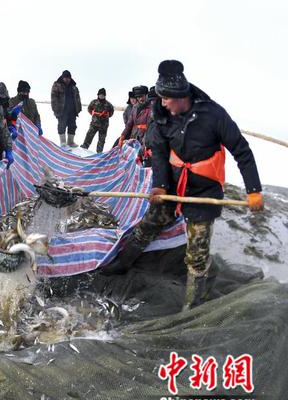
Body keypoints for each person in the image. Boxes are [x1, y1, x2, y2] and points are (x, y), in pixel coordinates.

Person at [102, 60, 264, 311]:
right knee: (148, 225)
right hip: (174, 185)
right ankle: (122, 263)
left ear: (181, 97)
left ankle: (193, 305)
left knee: (197, 254)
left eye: (166, 98)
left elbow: (242, 151)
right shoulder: (161, 113)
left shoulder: (213, 114)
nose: (162, 102)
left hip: (204, 190)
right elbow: (158, 152)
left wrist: (253, 190)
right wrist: (160, 186)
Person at [51, 70, 82, 147]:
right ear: (62, 77)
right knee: (62, 125)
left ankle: (70, 142)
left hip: (72, 110)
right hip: (62, 110)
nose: (67, 79)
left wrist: (79, 108)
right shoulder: (57, 85)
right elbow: (53, 98)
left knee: (73, 126)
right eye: (65, 78)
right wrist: (56, 109)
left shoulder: (74, 86)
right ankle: (63, 142)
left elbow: (78, 98)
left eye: (68, 78)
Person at [82, 88, 115, 152]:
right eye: (100, 94)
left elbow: (111, 113)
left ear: (105, 96)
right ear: (98, 95)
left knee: (102, 140)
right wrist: (94, 116)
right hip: (94, 124)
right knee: (89, 135)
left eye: (103, 95)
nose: (101, 96)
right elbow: (89, 109)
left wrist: (106, 116)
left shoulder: (109, 104)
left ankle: (99, 152)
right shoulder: (94, 102)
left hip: (104, 125)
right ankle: (85, 147)